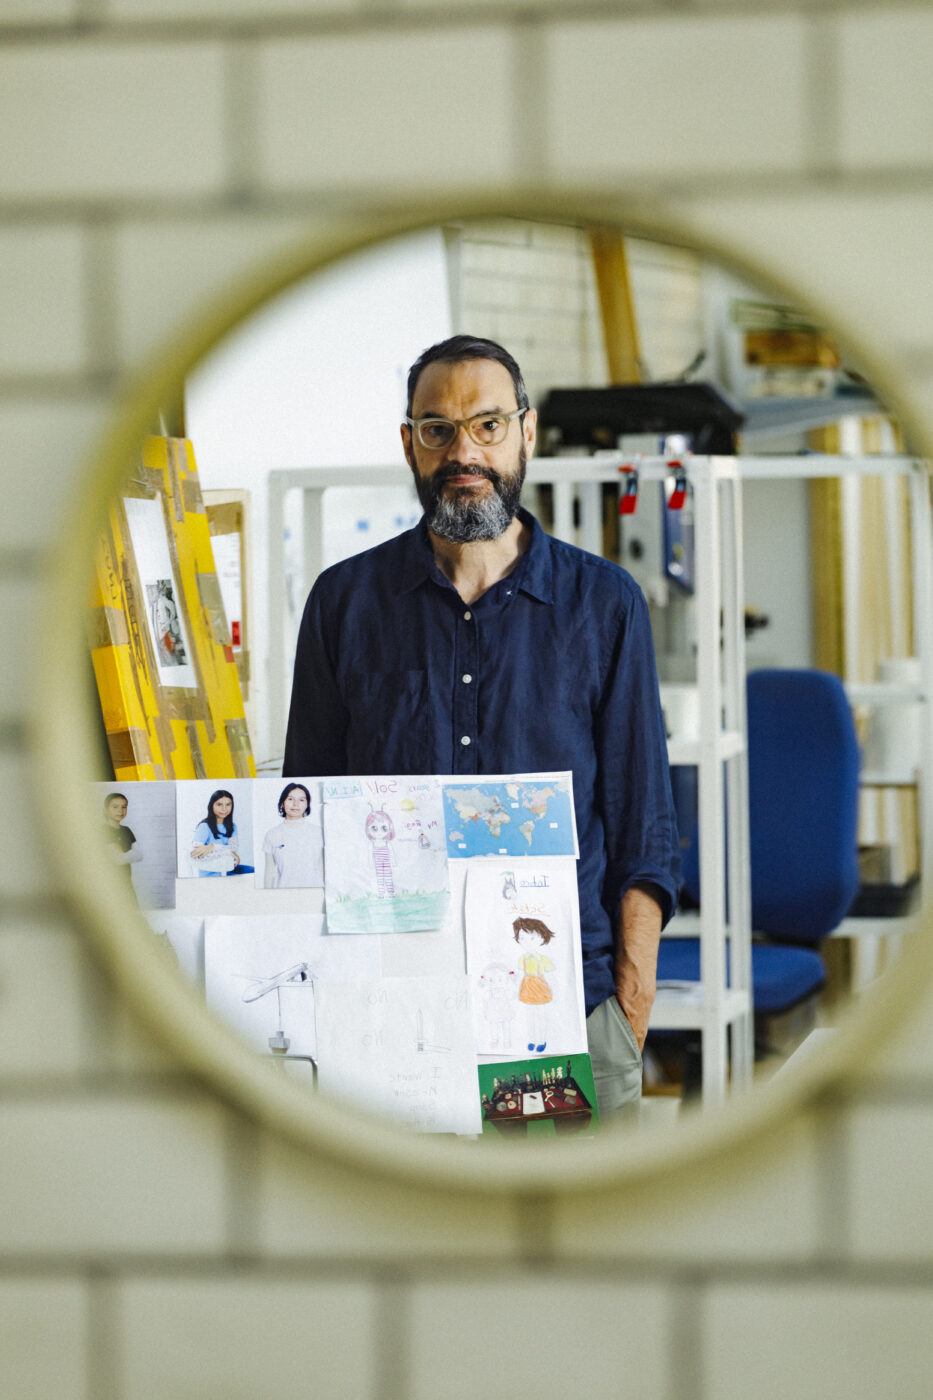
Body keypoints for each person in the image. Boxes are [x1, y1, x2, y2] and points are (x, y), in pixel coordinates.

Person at [284, 334, 680, 1116]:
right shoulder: (344, 603)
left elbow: (645, 823)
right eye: (438, 429)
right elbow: (308, 818)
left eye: (487, 426)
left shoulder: (603, 605)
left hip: (564, 1004)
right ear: (410, 444)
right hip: (389, 1011)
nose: (463, 452)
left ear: (526, 433)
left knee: (572, 1201)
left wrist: (630, 1007)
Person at [262, 782, 324, 888]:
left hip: (314, 891)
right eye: (290, 799)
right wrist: (267, 895)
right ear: (282, 803)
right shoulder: (272, 834)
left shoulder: (319, 832)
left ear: (307, 804)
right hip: (283, 892)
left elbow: (325, 868)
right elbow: (269, 871)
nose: (295, 804)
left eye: (301, 800)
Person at [190, 789, 254, 877]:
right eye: (219, 804)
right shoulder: (204, 826)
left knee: (253, 871)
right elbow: (196, 854)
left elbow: (233, 849)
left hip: (228, 868)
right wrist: (227, 852)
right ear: (212, 806)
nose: (224, 809)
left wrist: (213, 847)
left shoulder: (232, 826)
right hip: (211, 872)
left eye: (228, 804)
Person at [102, 791, 142, 882]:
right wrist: (131, 855)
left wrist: (124, 856)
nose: (120, 810)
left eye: (124, 807)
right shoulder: (103, 831)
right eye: (115, 807)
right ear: (106, 809)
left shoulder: (126, 830)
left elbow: (140, 855)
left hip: (126, 882)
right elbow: (118, 859)